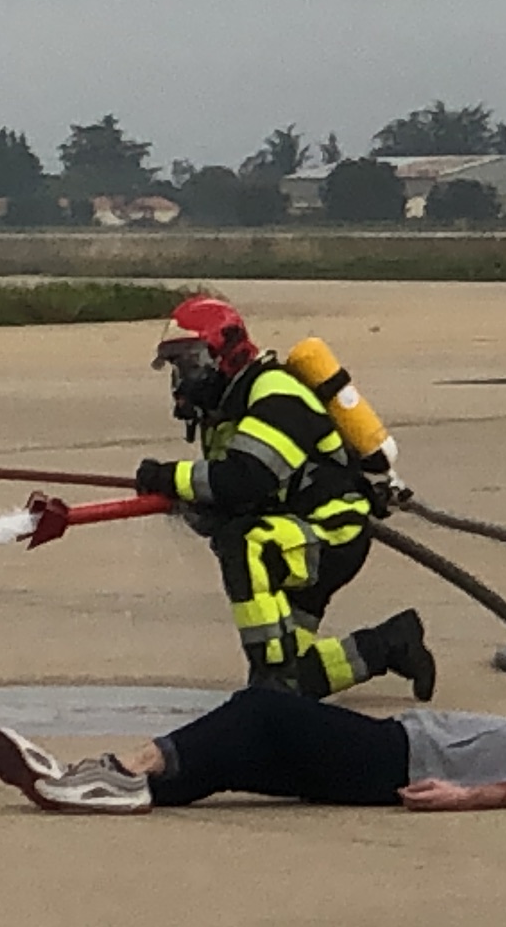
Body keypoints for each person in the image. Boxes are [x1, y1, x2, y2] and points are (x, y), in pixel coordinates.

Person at [129, 295, 433, 700]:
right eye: (177, 367)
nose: (183, 379)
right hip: (294, 532)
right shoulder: (224, 413)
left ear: (227, 353)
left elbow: (244, 480)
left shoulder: (275, 394)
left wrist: (168, 476)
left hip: (330, 531)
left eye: (191, 362)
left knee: (244, 543)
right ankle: (389, 644)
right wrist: (190, 502)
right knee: (297, 685)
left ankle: (269, 673)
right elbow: (227, 499)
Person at [0, 688, 506, 814]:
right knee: (239, 756)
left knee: (261, 709)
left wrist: (466, 797)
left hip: (406, 758)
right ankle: (121, 793)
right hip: (406, 755)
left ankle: (113, 771)